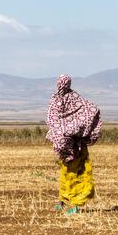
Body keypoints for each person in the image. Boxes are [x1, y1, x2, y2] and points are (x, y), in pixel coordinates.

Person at [46, 74, 102, 215]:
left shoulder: (61, 99)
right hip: (70, 145)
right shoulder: (69, 98)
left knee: (75, 172)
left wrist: (68, 130)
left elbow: (53, 119)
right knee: (69, 172)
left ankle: (76, 204)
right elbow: (91, 110)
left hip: (72, 144)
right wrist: (69, 130)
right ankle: (64, 201)